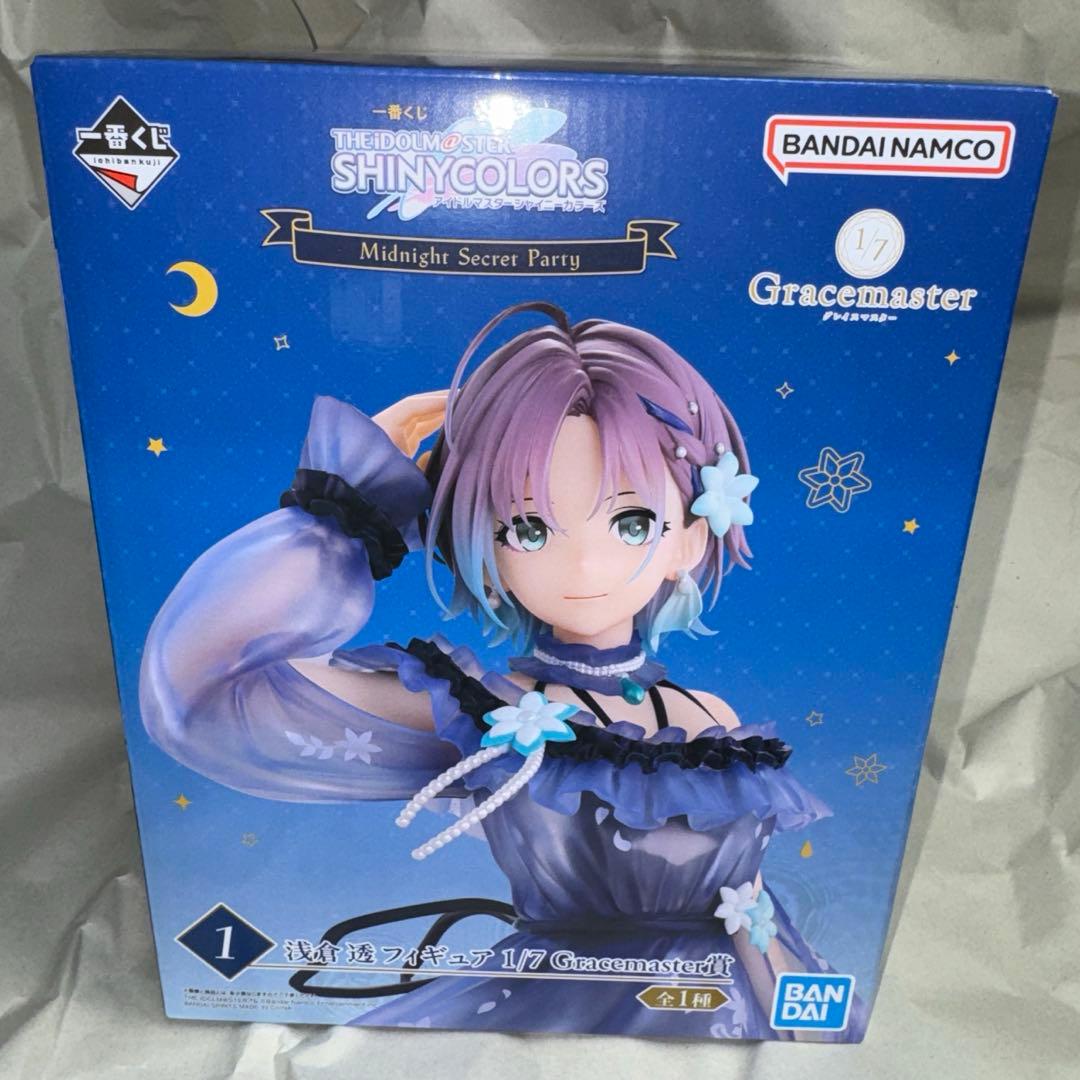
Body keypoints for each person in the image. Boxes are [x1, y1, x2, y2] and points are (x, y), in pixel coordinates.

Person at [140, 301, 865, 1040]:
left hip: (718, 1012)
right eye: (529, 527)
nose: (584, 564)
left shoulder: (715, 723)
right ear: (480, 546)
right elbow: (200, 685)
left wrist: (799, 1019)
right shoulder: (484, 713)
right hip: (561, 1009)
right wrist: (347, 505)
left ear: (690, 537)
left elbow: (749, 906)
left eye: (632, 523)